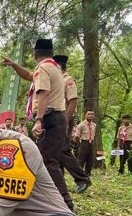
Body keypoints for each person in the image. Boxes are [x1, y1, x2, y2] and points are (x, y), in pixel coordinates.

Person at [1, 39, 81, 211]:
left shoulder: (43, 68)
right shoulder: (54, 67)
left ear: (35, 53)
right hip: (56, 117)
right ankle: (49, 197)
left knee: (48, 162)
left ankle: (65, 203)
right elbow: (29, 76)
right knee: (45, 159)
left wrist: (39, 119)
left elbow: (42, 92)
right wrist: (15, 65)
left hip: (50, 117)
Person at [53, 54, 92, 193]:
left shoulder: (67, 80)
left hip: (64, 119)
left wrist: (65, 120)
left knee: (63, 149)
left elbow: (73, 101)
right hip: (57, 118)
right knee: (56, 150)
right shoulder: (57, 80)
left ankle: (82, 178)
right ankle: (59, 180)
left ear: (59, 66)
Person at [74, 110, 97, 176]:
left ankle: (88, 173)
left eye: (92, 114)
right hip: (84, 143)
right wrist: (79, 145)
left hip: (91, 143)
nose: (90, 116)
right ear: (85, 115)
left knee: (90, 159)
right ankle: (79, 174)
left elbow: (93, 135)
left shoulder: (94, 125)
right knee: (81, 159)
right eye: (89, 114)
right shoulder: (81, 125)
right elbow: (77, 136)